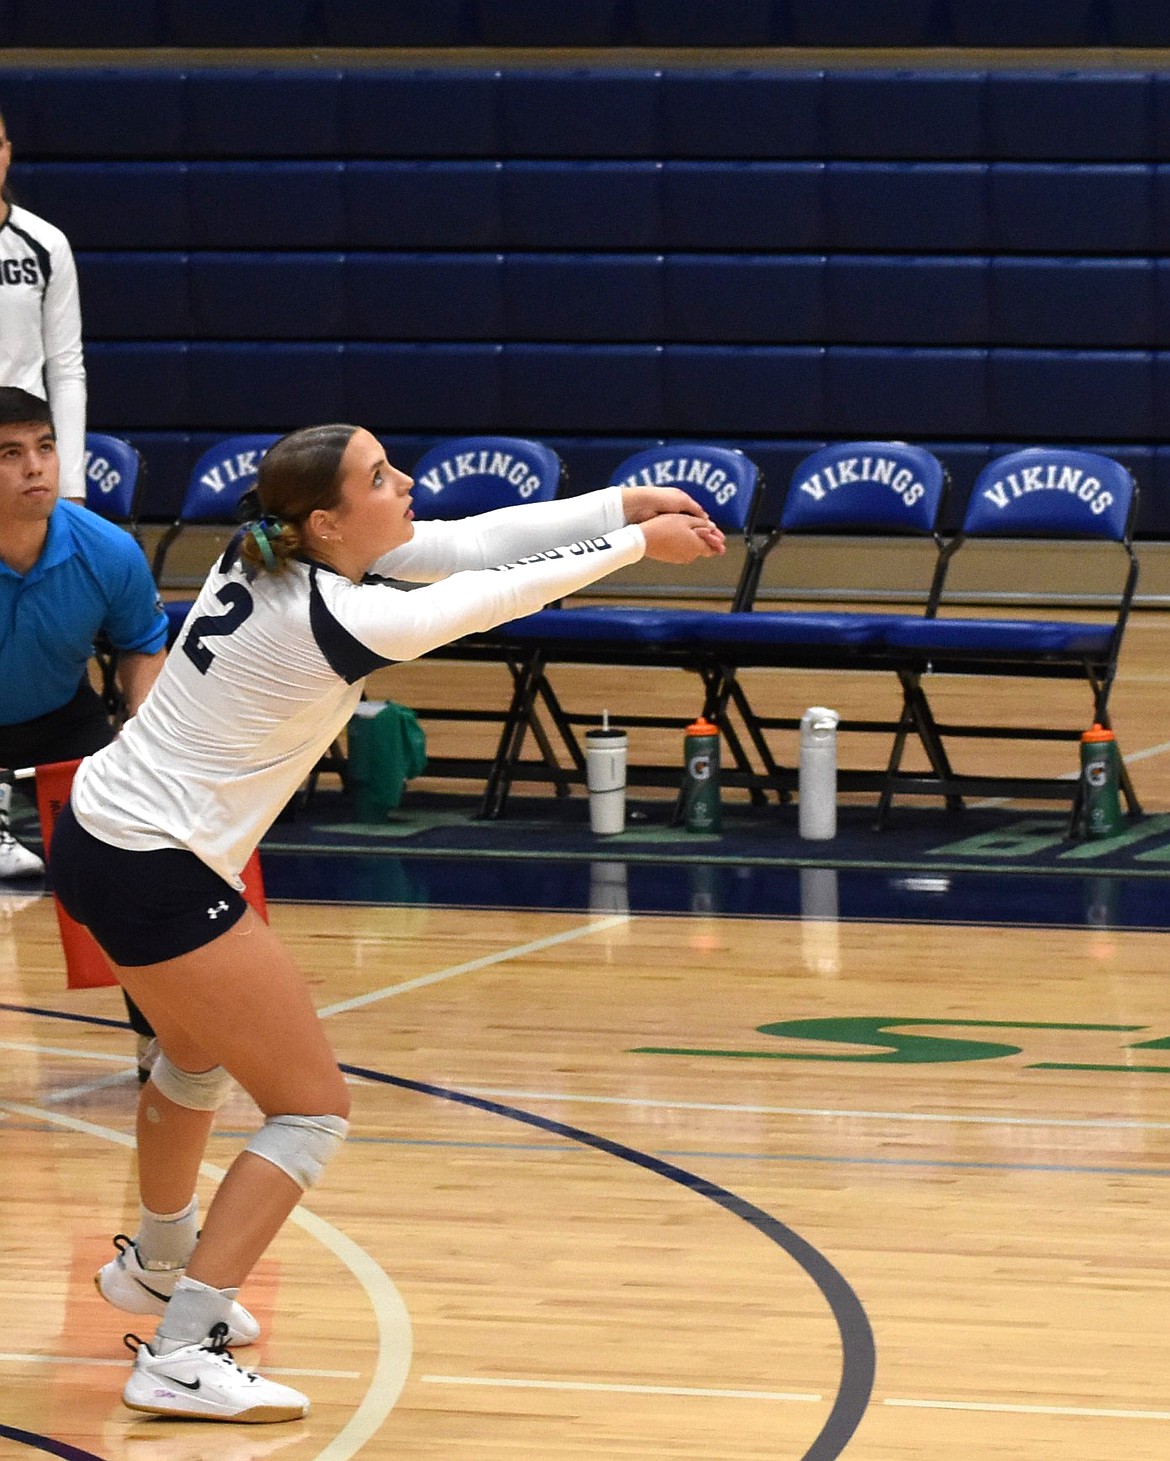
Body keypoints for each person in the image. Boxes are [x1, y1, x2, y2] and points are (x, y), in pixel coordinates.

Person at [47, 421, 724, 1423]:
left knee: (190, 1059)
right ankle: (183, 1348)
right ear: (327, 519)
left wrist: (621, 505)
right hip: (152, 864)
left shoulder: (266, 546)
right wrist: (635, 549)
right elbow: (489, 592)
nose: (403, 483)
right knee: (311, 1105)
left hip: (100, 835)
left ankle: (156, 1263)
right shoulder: (334, 617)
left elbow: (469, 541)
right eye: (379, 476)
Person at [0, 387, 167, 1066]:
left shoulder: (108, 550)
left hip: (62, 719)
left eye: (45, 447)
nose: (36, 466)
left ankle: (160, 1036)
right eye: (10, 454)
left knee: (136, 859)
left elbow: (142, 643)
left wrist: (141, 726)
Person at [0, 107, 87, 503]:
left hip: (22, 453)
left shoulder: (45, 243)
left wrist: (69, 487)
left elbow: (66, 370)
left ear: (8, 152)